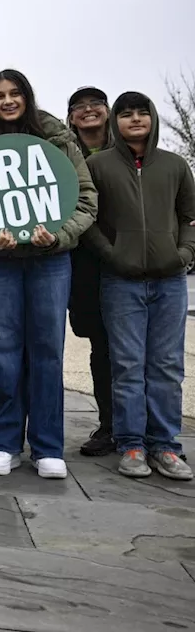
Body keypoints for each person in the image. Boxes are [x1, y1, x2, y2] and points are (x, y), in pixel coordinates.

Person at [0, 70, 97, 479]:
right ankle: (4, 442)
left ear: (27, 97)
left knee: (47, 351)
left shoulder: (58, 139)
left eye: (14, 94)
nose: (7, 101)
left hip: (50, 260)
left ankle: (48, 446)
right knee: (3, 351)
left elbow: (85, 198)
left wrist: (58, 237)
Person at [82, 92, 195, 481]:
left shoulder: (176, 165)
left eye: (141, 112)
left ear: (152, 119)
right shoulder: (97, 165)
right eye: (126, 113)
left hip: (171, 280)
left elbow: (189, 217)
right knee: (127, 366)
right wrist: (111, 255)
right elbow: (88, 220)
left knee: (167, 366)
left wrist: (184, 253)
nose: (134, 119)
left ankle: (165, 446)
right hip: (120, 281)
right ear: (116, 120)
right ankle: (131, 444)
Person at [66, 86, 116, 457]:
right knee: (100, 344)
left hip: (127, 259)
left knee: (130, 351)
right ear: (70, 117)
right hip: (83, 262)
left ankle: (139, 426)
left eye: (95, 104)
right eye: (79, 107)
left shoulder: (130, 150)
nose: (88, 111)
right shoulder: (64, 154)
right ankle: (110, 424)